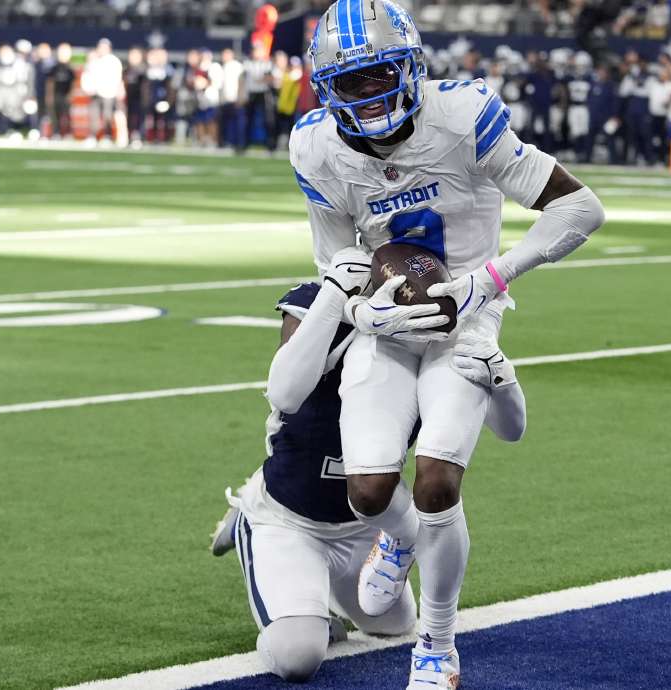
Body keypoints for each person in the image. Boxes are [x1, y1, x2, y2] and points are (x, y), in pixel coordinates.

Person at [293, 1, 606, 685]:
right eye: (354, 83)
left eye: (382, 76)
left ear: (410, 68)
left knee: (436, 482)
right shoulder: (316, 145)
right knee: (369, 493)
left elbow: (582, 208)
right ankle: (400, 543)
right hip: (389, 324)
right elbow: (333, 259)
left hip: (469, 319)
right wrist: (363, 312)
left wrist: (487, 282)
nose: (372, 95)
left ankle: (436, 643)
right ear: (327, 89)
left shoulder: (462, 115)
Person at [209, 253, 526, 683]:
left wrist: (503, 378)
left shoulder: (439, 330)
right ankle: (251, 518)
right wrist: (334, 295)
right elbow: (283, 393)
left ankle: (321, 590)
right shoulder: (324, 302)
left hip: (366, 524)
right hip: (292, 517)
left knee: (392, 625)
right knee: (298, 655)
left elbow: (510, 429)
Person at [81, 38, 123, 143]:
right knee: (94, 116)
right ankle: (93, 136)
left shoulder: (114, 61)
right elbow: (87, 76)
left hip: (109, 93)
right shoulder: (94, 60)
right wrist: (89, 88)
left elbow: (117, 78)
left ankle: (107, 136)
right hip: (95, 93)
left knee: (107, 116)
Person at [45, 43, 75, 139]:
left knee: (66, 115)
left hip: (65, 95)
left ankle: (67, 133)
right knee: (55, 116)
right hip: (56, 95)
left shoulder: (70, 69)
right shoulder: (54, 67)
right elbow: (50, 82)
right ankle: (56, 133)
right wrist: (49, 95)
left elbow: (73, 84)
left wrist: (71, 95)